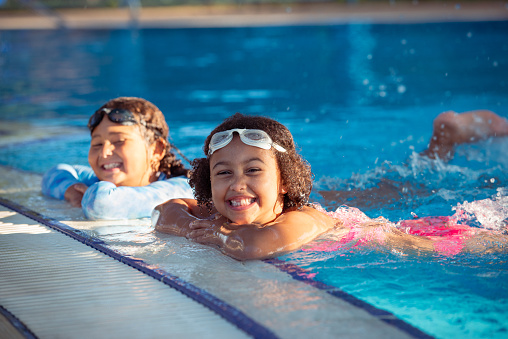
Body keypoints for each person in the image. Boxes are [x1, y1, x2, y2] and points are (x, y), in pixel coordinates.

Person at [152, 113, 507, 260]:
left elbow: (253, 245)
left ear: (286, 183)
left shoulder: (303, 218)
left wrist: (214, 233)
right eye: (223, 173)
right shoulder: (231, 209)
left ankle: (444, 142)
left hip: (433, 239)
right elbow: (168, 209)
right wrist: (196, 225)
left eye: (254, 170)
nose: (237, 184)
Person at [42, 97, 194, 220]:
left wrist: (89, 196)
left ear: (156, 149)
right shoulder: (98, 182)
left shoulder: (181, 189)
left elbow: (102, 204)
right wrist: (70, 190)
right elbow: (55, 172)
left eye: (119, 141)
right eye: (97, 143)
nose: (104, 153)